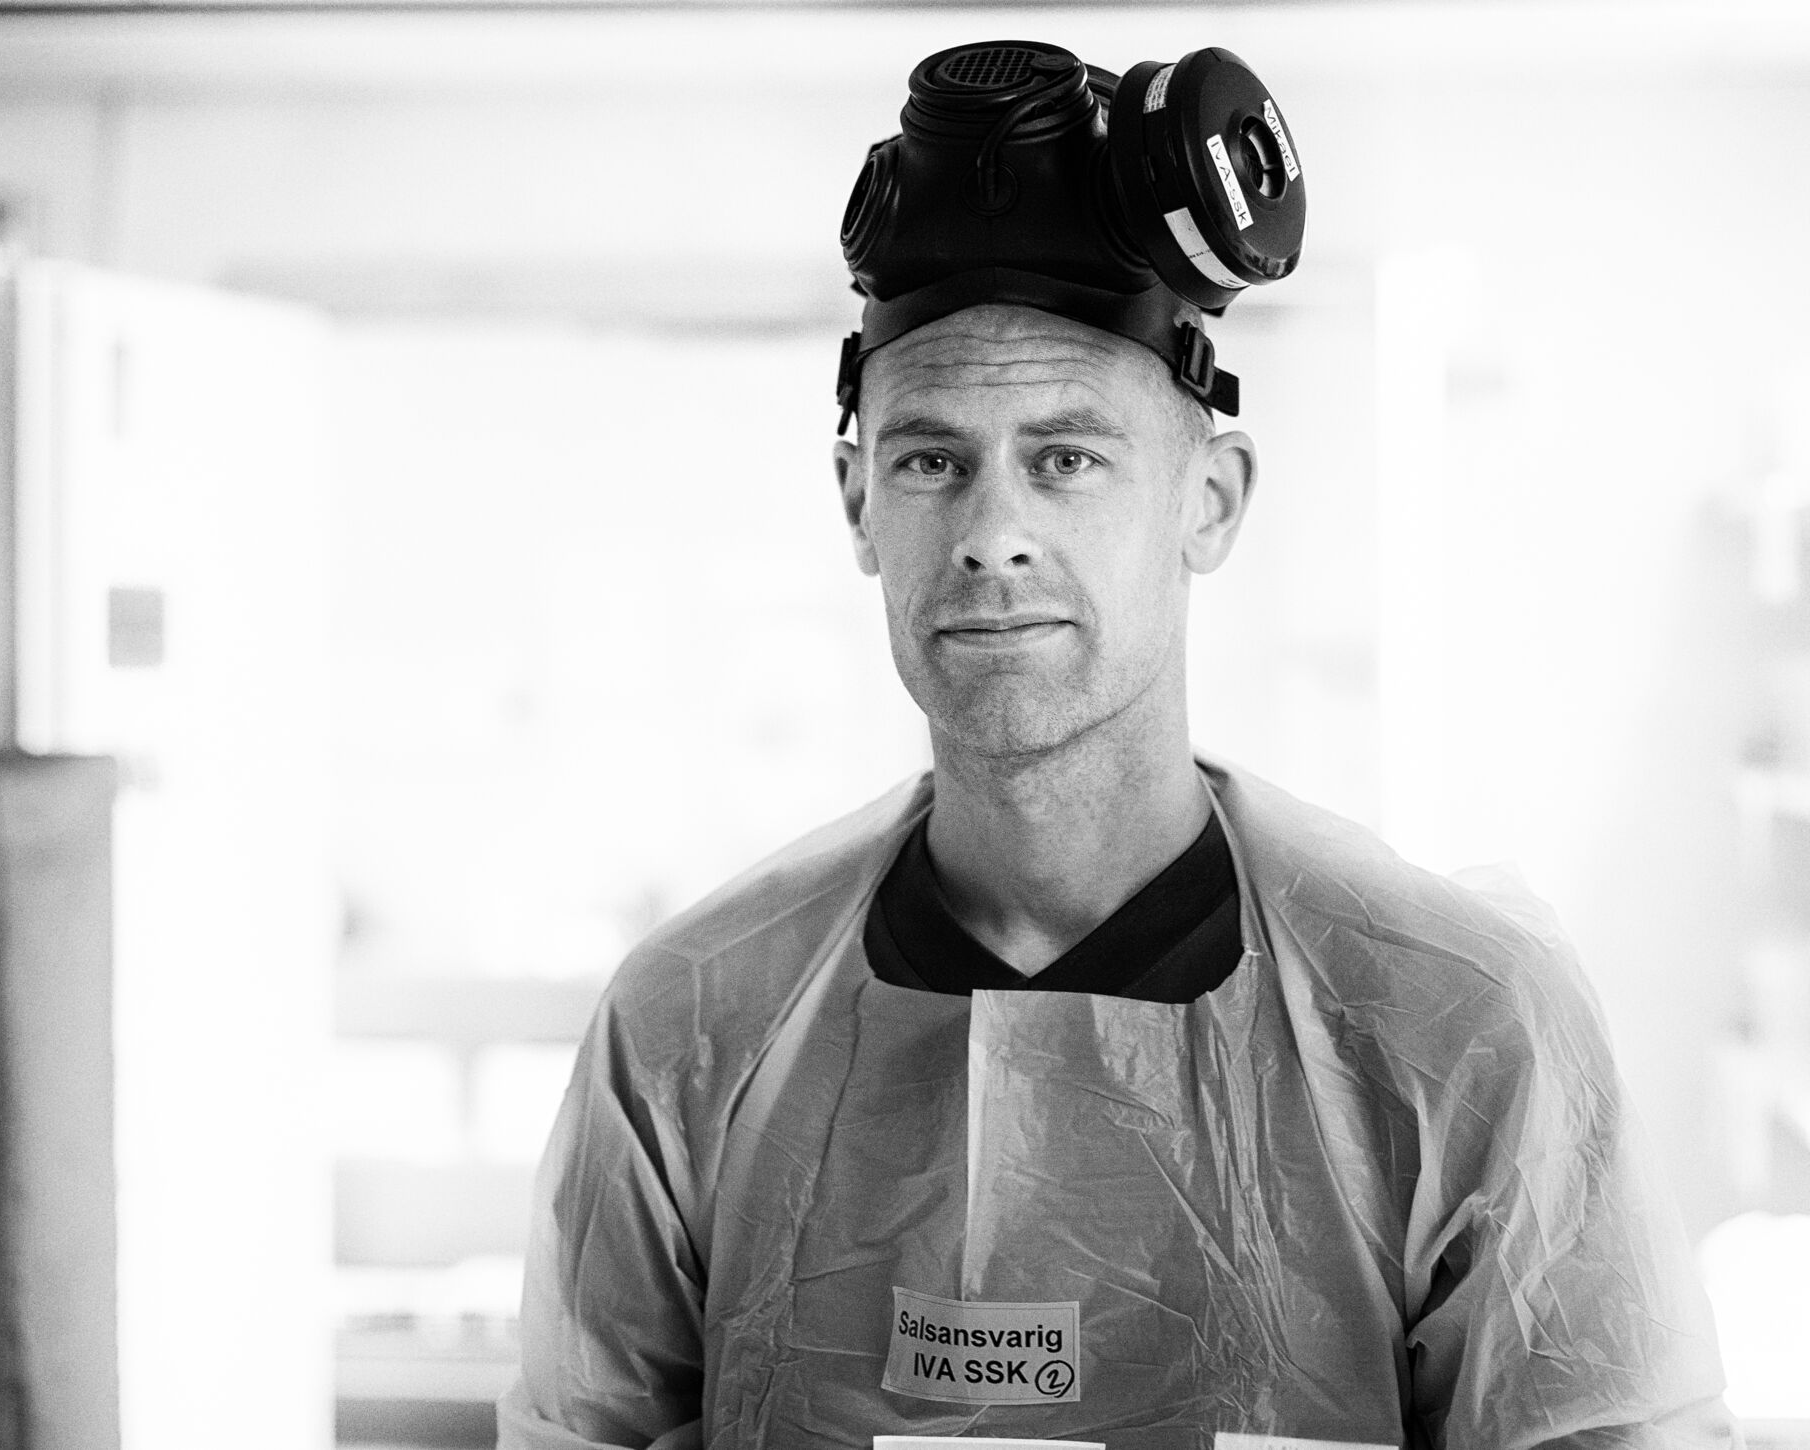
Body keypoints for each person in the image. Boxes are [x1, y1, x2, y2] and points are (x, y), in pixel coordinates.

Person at [499, 38, 1738, 1450]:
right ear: (857, 504)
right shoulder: (687, 1030)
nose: (993, 533)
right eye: (931, 460)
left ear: (1210, 502)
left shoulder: (1459, 1029)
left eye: (1068, 458)